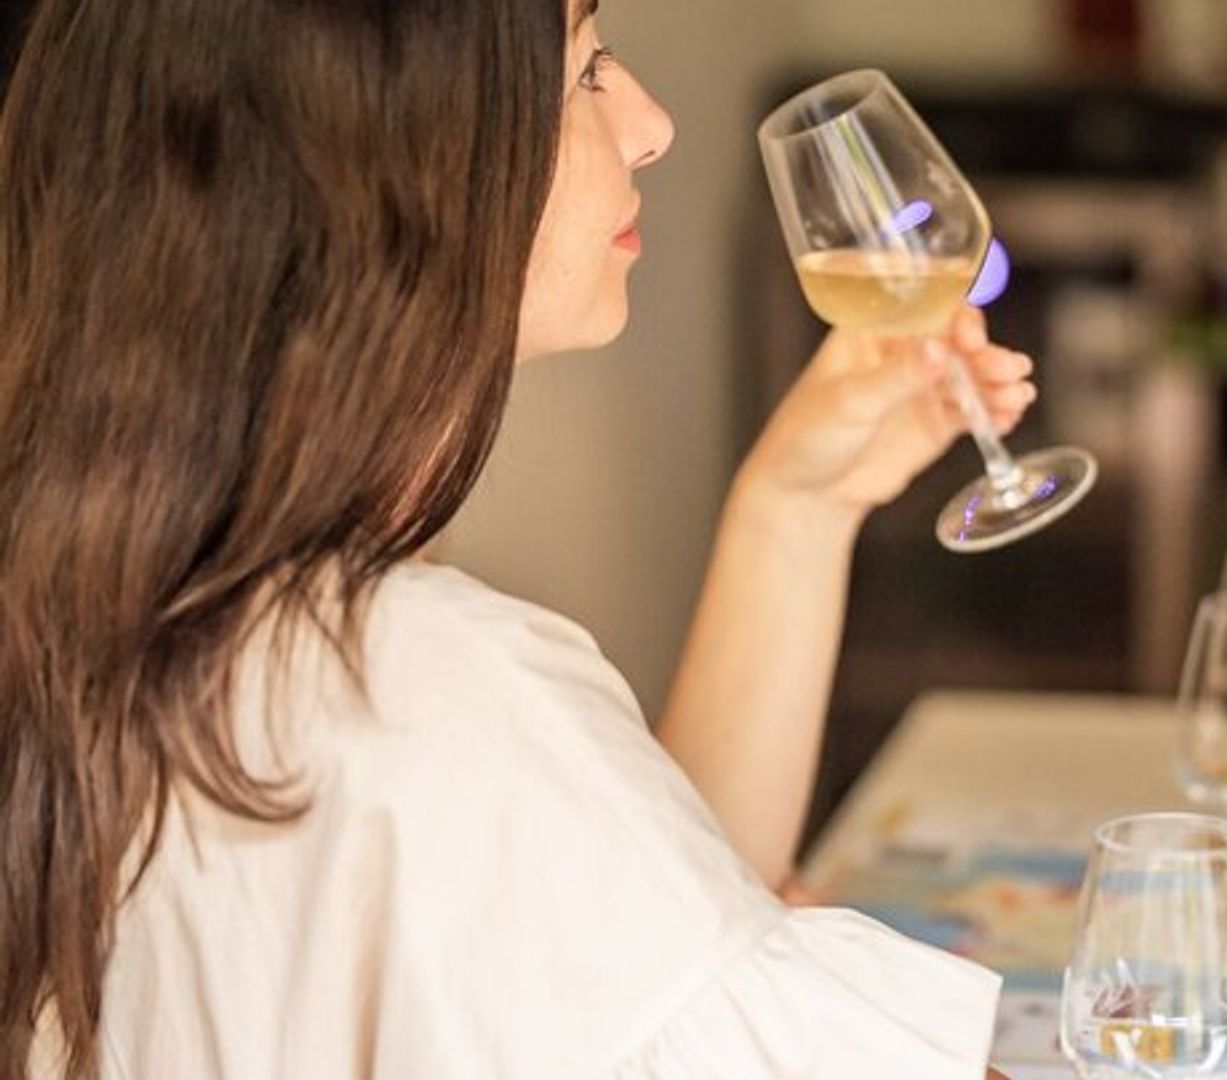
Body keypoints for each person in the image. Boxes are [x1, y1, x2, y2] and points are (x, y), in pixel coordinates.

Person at [0, 0, 1034, 1077]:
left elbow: (617, 938)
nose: (650, 123)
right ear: (388, 154)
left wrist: (795, 504)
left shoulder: (110, 613)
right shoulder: (415, 683)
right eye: (585, 70)